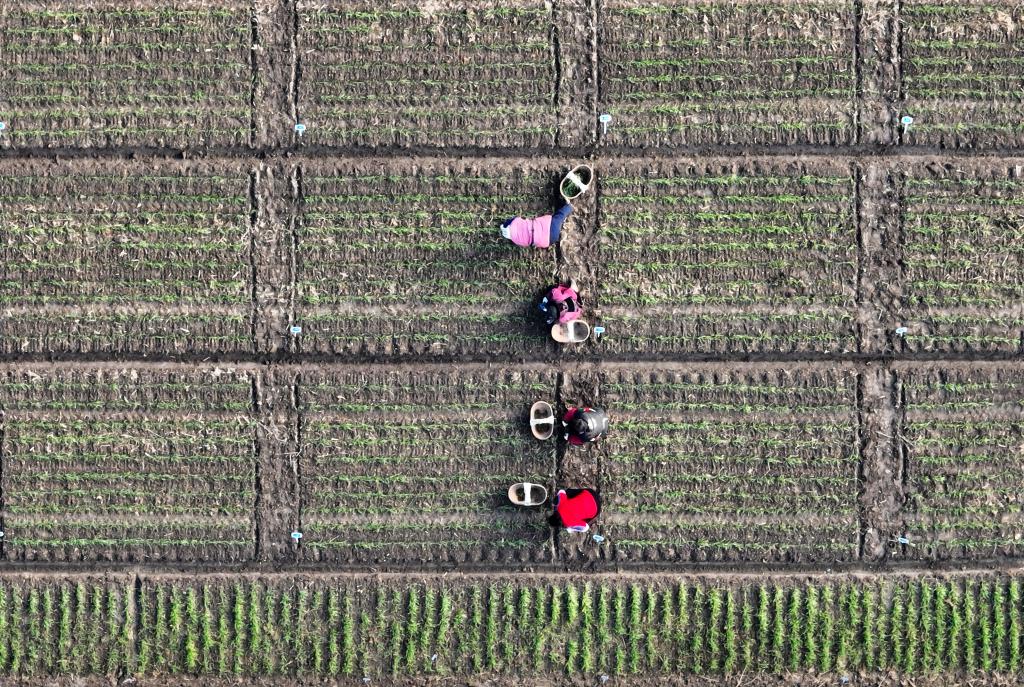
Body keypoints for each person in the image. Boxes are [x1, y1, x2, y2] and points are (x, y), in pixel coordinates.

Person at [499, 202, 572, 249]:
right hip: (550, 229)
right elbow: (516, 219)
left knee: (559, 217)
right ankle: (569, 206)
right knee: (560, 215)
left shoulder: (515, 240)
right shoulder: (515, 223)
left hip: (549, 240)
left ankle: (560, 233)